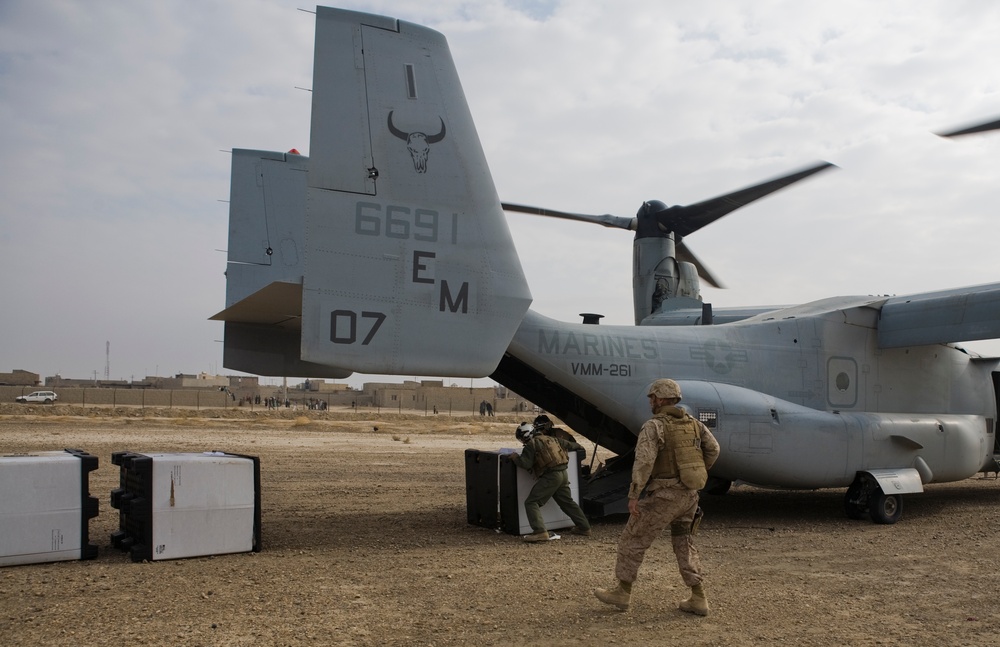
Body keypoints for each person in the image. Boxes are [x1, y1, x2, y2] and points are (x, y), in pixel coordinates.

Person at [594, 378, 720, 616]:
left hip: (664, 495)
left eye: (652, 398)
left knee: (632, 540)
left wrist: (634, 495)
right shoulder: (694, 424)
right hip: (689, 496)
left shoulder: (653, 426)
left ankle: (622, 592)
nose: (650, 402)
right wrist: (695, 473)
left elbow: (644, 462)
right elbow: (714, 449)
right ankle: (698, 597)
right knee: (684, 542)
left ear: (661, 399)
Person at [506, 422, 592, 542]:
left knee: (531, 502)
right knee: (567, 502)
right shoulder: (553, 439)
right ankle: (584, 527)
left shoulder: (532, 444)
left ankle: (540, 532)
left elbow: (525, 464)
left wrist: (515, 457)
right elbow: (573, 445)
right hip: (563, 474)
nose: (522, 441)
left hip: (551, 477)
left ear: (526, 435)